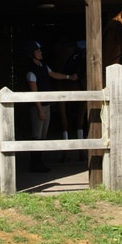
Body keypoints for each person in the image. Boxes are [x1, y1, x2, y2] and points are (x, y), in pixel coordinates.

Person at [25, 40, 77, 172]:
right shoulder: (31, 72)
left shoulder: (43, 66)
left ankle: (39, 164)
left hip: (45, 106)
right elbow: (34, 92)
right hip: (38, 107)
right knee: (36, 135)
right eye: (38, 51)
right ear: (32, 54)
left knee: (42, 136)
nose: (40, 52)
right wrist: (41, 109)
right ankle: (34, 164)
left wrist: (68, 77)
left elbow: (53, 74)